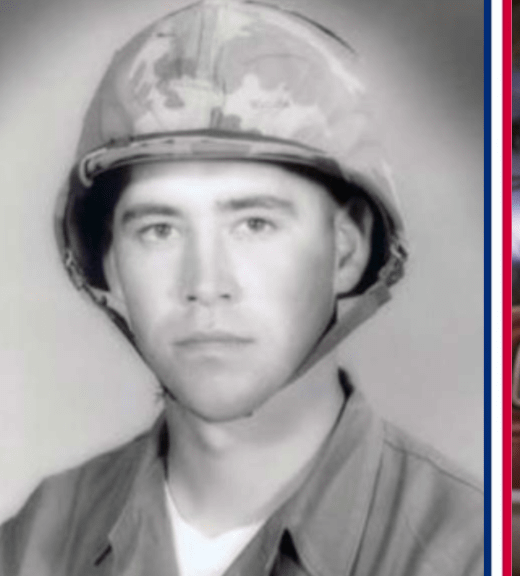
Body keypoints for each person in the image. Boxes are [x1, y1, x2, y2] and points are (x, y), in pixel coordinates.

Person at [0, 1, 483, 575]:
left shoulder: (468, 548)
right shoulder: (35, 544)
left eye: (255, 224)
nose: (205, 284)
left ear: (347, 252)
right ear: (109, 266)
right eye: (159, 229)